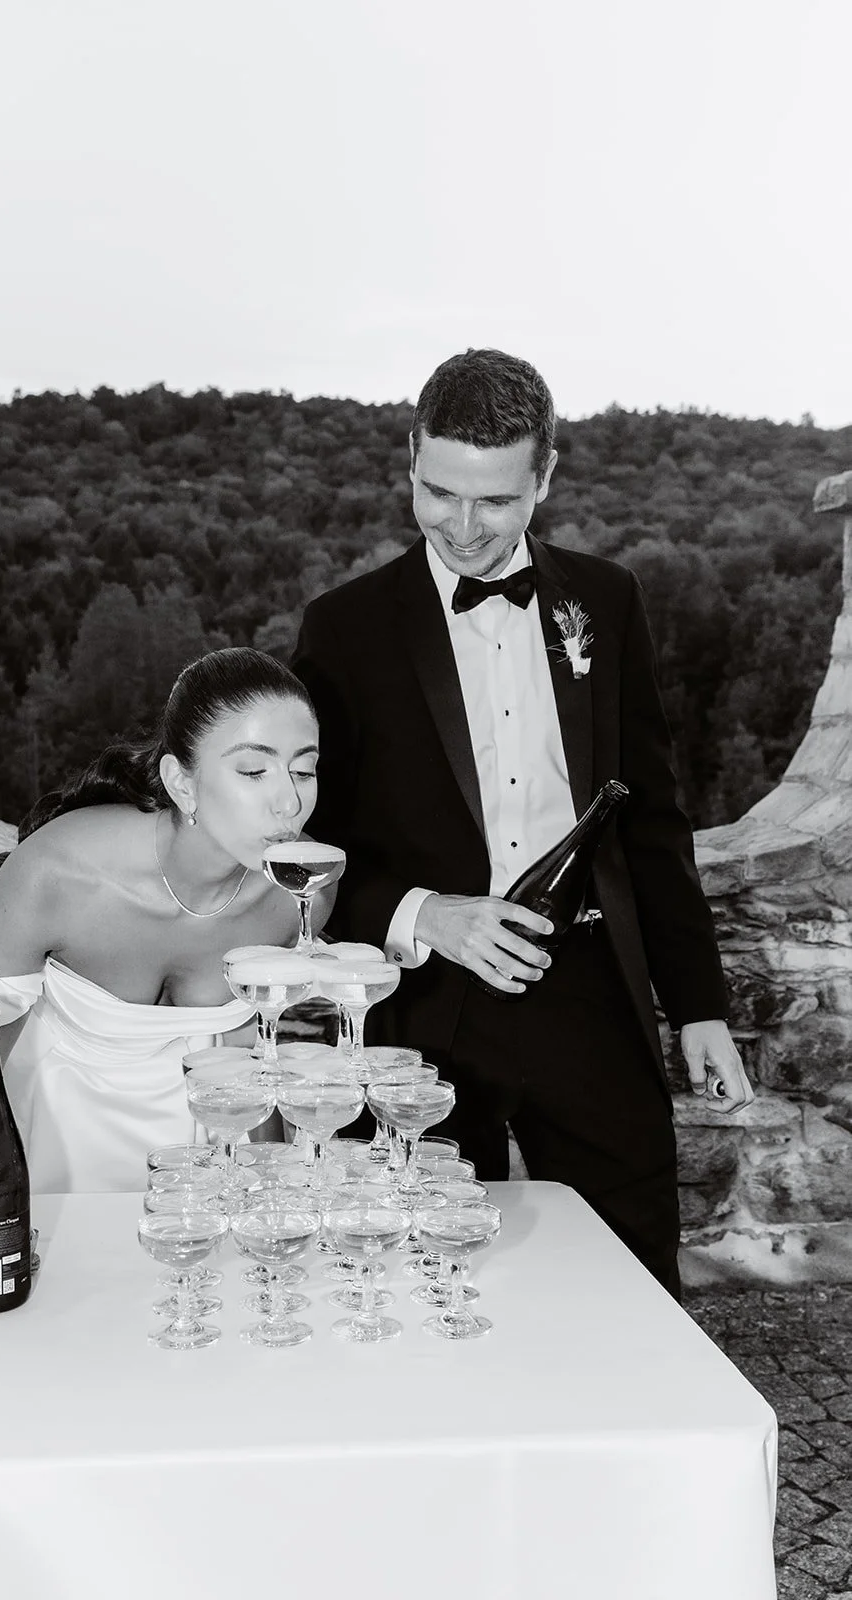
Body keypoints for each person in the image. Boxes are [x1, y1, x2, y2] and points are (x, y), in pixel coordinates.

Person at [0, 646, 330, 1566]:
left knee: (190, 1372)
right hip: (25, 1124)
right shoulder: (61, 869)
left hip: (188, 1148)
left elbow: (246, 1064)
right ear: (181, 783)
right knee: (7, 1375)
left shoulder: (298, 886)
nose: (289, 798)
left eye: (306, 768)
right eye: (254, 770)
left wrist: (270, 1193)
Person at [293, 347, 753, 1300]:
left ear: (545, 477)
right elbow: (310, 855)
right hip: (419, 1012)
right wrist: (428, 915)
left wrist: (698, 1005)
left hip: (587, 994)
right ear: (410, 456)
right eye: (437, 493)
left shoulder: (607, 600)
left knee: (630, 1286)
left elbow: (653, 822)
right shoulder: (344, 629)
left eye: (495, 501)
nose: (462, 528)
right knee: (427, 1288)